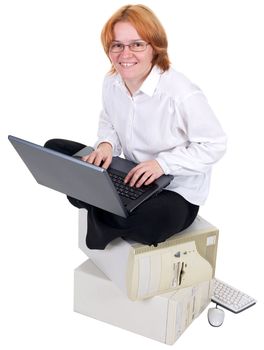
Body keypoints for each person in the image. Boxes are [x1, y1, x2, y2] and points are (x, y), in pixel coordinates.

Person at [45, 4, 227, 249]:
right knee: (54, 148)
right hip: (128, 174)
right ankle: (110, 204)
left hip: (174, 189)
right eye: (117, 45)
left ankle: (96, 202)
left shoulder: (181, 93)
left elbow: (215, 144)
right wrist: (107, 145)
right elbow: (109, 119)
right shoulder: (111, 82)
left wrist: (162, 164)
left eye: (136, 44)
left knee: (155, 221)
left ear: (155, 47)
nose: (125, 54)